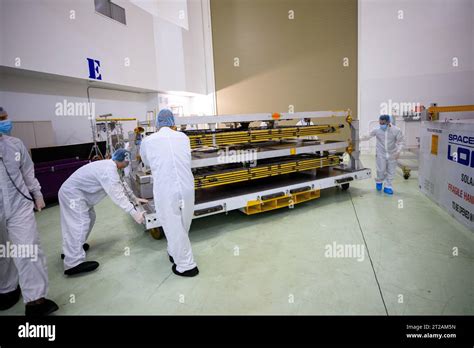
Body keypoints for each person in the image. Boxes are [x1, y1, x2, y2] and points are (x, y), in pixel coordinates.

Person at [0, 107, 58, 316]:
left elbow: (27, 171)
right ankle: (6, 289)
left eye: (4, 118)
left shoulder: (15, 145)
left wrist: (37, 193)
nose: (5, 123)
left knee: (28, 248)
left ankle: (35, 301)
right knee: (2, 252)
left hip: (19, 206)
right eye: (1, 119)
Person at [59, 148, 147, 276]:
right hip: (72, 195)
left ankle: (73, 249)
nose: (127, 165)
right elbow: (118, 195)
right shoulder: (109, 170)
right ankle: (73, 263)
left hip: (79, 195)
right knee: (80, 224)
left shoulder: (113, 167)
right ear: (122, 160)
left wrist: (135, 199)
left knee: (90, 217)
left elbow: (122, 185)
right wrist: (134, 213)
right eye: (127, 162)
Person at [140, 109, 199, 277]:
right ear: (173, 121)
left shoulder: (148, 140)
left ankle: (186, 266)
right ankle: (174, 252)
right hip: (187, 186)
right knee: (183, 223)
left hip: (166, 188)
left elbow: (146, 162)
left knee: (172, 225)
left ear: (157, 123)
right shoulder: (183, 137)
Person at [361, 115, 404, 195]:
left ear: (388, 122)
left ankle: (388, 186)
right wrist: (358, 139)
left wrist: (398, 152)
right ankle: (379, 181)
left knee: (391, 171)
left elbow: (401, 142)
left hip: (392, 154)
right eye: (380, 123)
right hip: (381, 153)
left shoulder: (396, 130)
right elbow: (367, 136)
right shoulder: (377, 130)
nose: (381, 125)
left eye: (383, 123)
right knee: (381, 170)